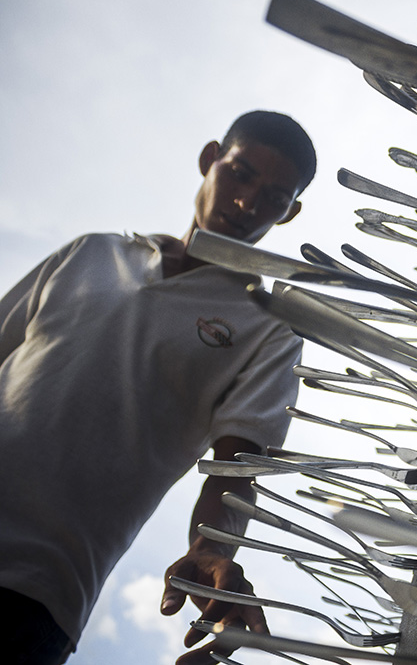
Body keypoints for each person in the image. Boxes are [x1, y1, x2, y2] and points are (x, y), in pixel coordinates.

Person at [0, 110, 317, 665]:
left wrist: (213, 548)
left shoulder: (268, 327)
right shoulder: (92, 253)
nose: (247, 203)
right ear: (209, 159)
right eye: (240, 174)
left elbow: (237, 464)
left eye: (272, 197)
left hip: (33, 592)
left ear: (289, 213)